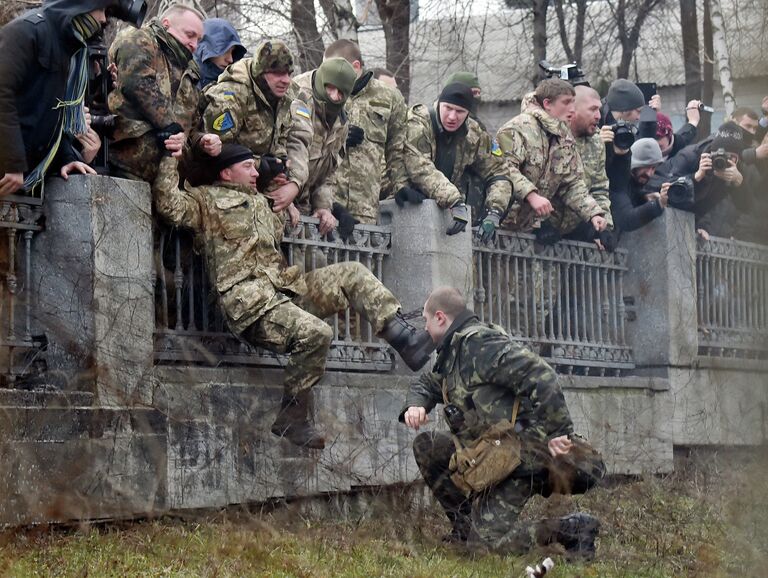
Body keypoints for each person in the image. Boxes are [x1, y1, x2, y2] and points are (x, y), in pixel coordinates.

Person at [153, 144, 435, 450]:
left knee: (352, 272)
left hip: (286, 291)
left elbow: (294, 191)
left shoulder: (264, 202)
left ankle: (403, 338)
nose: (255, 172)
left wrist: (302, 202)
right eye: (248, 166)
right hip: (251, 305)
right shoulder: (206, 200)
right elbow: (169, 205)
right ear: (226, 172)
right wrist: (172, 156)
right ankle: (292, 417)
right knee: (317, 333)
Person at [401, 286, 605, 556]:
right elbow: (428, 383)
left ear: (440, 317)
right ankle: (465, 529)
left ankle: (572, 529)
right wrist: (416, 404)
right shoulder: (454, 353)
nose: (425, 329)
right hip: (492, 456)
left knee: (485, 548)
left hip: (521, 457)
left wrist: (558, 431)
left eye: (426, 321)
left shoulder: (479, 344)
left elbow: (539, 373)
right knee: (427, 445)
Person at [0, 0, 125, 196]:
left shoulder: (72, 49)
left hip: (27, 177)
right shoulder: (28, 31)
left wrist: (67, 158)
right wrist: (12, 163)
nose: (103, 19)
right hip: (10, 172)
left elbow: (55, 114)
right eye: (100, 9)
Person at [108, 3, 221, 183]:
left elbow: (190, 127)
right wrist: (172, 127)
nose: (194, 45)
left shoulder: (190, 72)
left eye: (199, 40)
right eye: (190, 35)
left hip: (168, 180)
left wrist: (202, 140)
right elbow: (136, 83)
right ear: (166, 24)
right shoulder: (138, 38)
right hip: (124, 167)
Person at [496, 79, 607, 243]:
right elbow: (503, 169)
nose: (572, 108)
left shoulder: (564, 138)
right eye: (566, 102)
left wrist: (593, 213)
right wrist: (531, 195)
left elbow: (571, 183)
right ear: (547, 104)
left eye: (573, 102)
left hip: (526, 232)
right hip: (497, 225)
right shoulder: (517, 128)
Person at [312, 39, 408, 227]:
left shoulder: (389, 98)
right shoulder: (324, 93)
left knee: (361, 257)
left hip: (365, 207)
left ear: (355, 67)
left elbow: (397, 151)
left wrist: (401, 186)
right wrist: (339, 140)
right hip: (327, 204)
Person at [203, 40, 305, 217]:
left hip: (260, 187)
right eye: (278, 73)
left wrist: (281, 181)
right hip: (225, 192)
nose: (286, 80)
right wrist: (261, 165)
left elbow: (281, 141)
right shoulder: (232, 93)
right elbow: (215, 151)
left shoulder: (285, 97)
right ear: (261, 72)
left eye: (289, 73)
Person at [402, 82, 512, 241]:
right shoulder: (419, 122)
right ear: (439, 103)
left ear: (468, 113)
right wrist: (454, 201)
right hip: (408, 205)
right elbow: (420, 168)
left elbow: (498, 172)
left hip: (447, 214)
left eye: (460, 111)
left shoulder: (474, 133)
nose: (453, 117)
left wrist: (494, 211)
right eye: (448, 108)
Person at [289, 57, 358, 235]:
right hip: (278, 201)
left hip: (304, 211)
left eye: (341, 93)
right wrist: (287, 199)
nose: (334, 97)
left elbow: (327, 173)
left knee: (316, 261)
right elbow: (278, 151)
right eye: (330, 88)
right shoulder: (296, 97)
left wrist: (324, 207)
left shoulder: (341, 122)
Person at [565, 85, 615, 249]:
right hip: (545, 228)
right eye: (593, 109)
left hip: (580, 229)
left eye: (599, 110)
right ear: (573, 109)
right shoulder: (555, 137)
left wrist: (604, 226)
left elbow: (600, 187)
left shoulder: (596, 142)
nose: (598, 116)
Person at [611, 138, 669, 233]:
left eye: (653, 168)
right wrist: (658, 204)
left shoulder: (635, 182)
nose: (649, 173)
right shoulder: (617, 179)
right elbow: (626, 219)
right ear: (635, 163)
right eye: (646, 166)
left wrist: (643, 197)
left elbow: (631, 193)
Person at [193, 17, 246, 89]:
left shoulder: (234, 83)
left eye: (232, 52)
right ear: (207, 49)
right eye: (225, 51)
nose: (230, 59)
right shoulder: (185, 79)